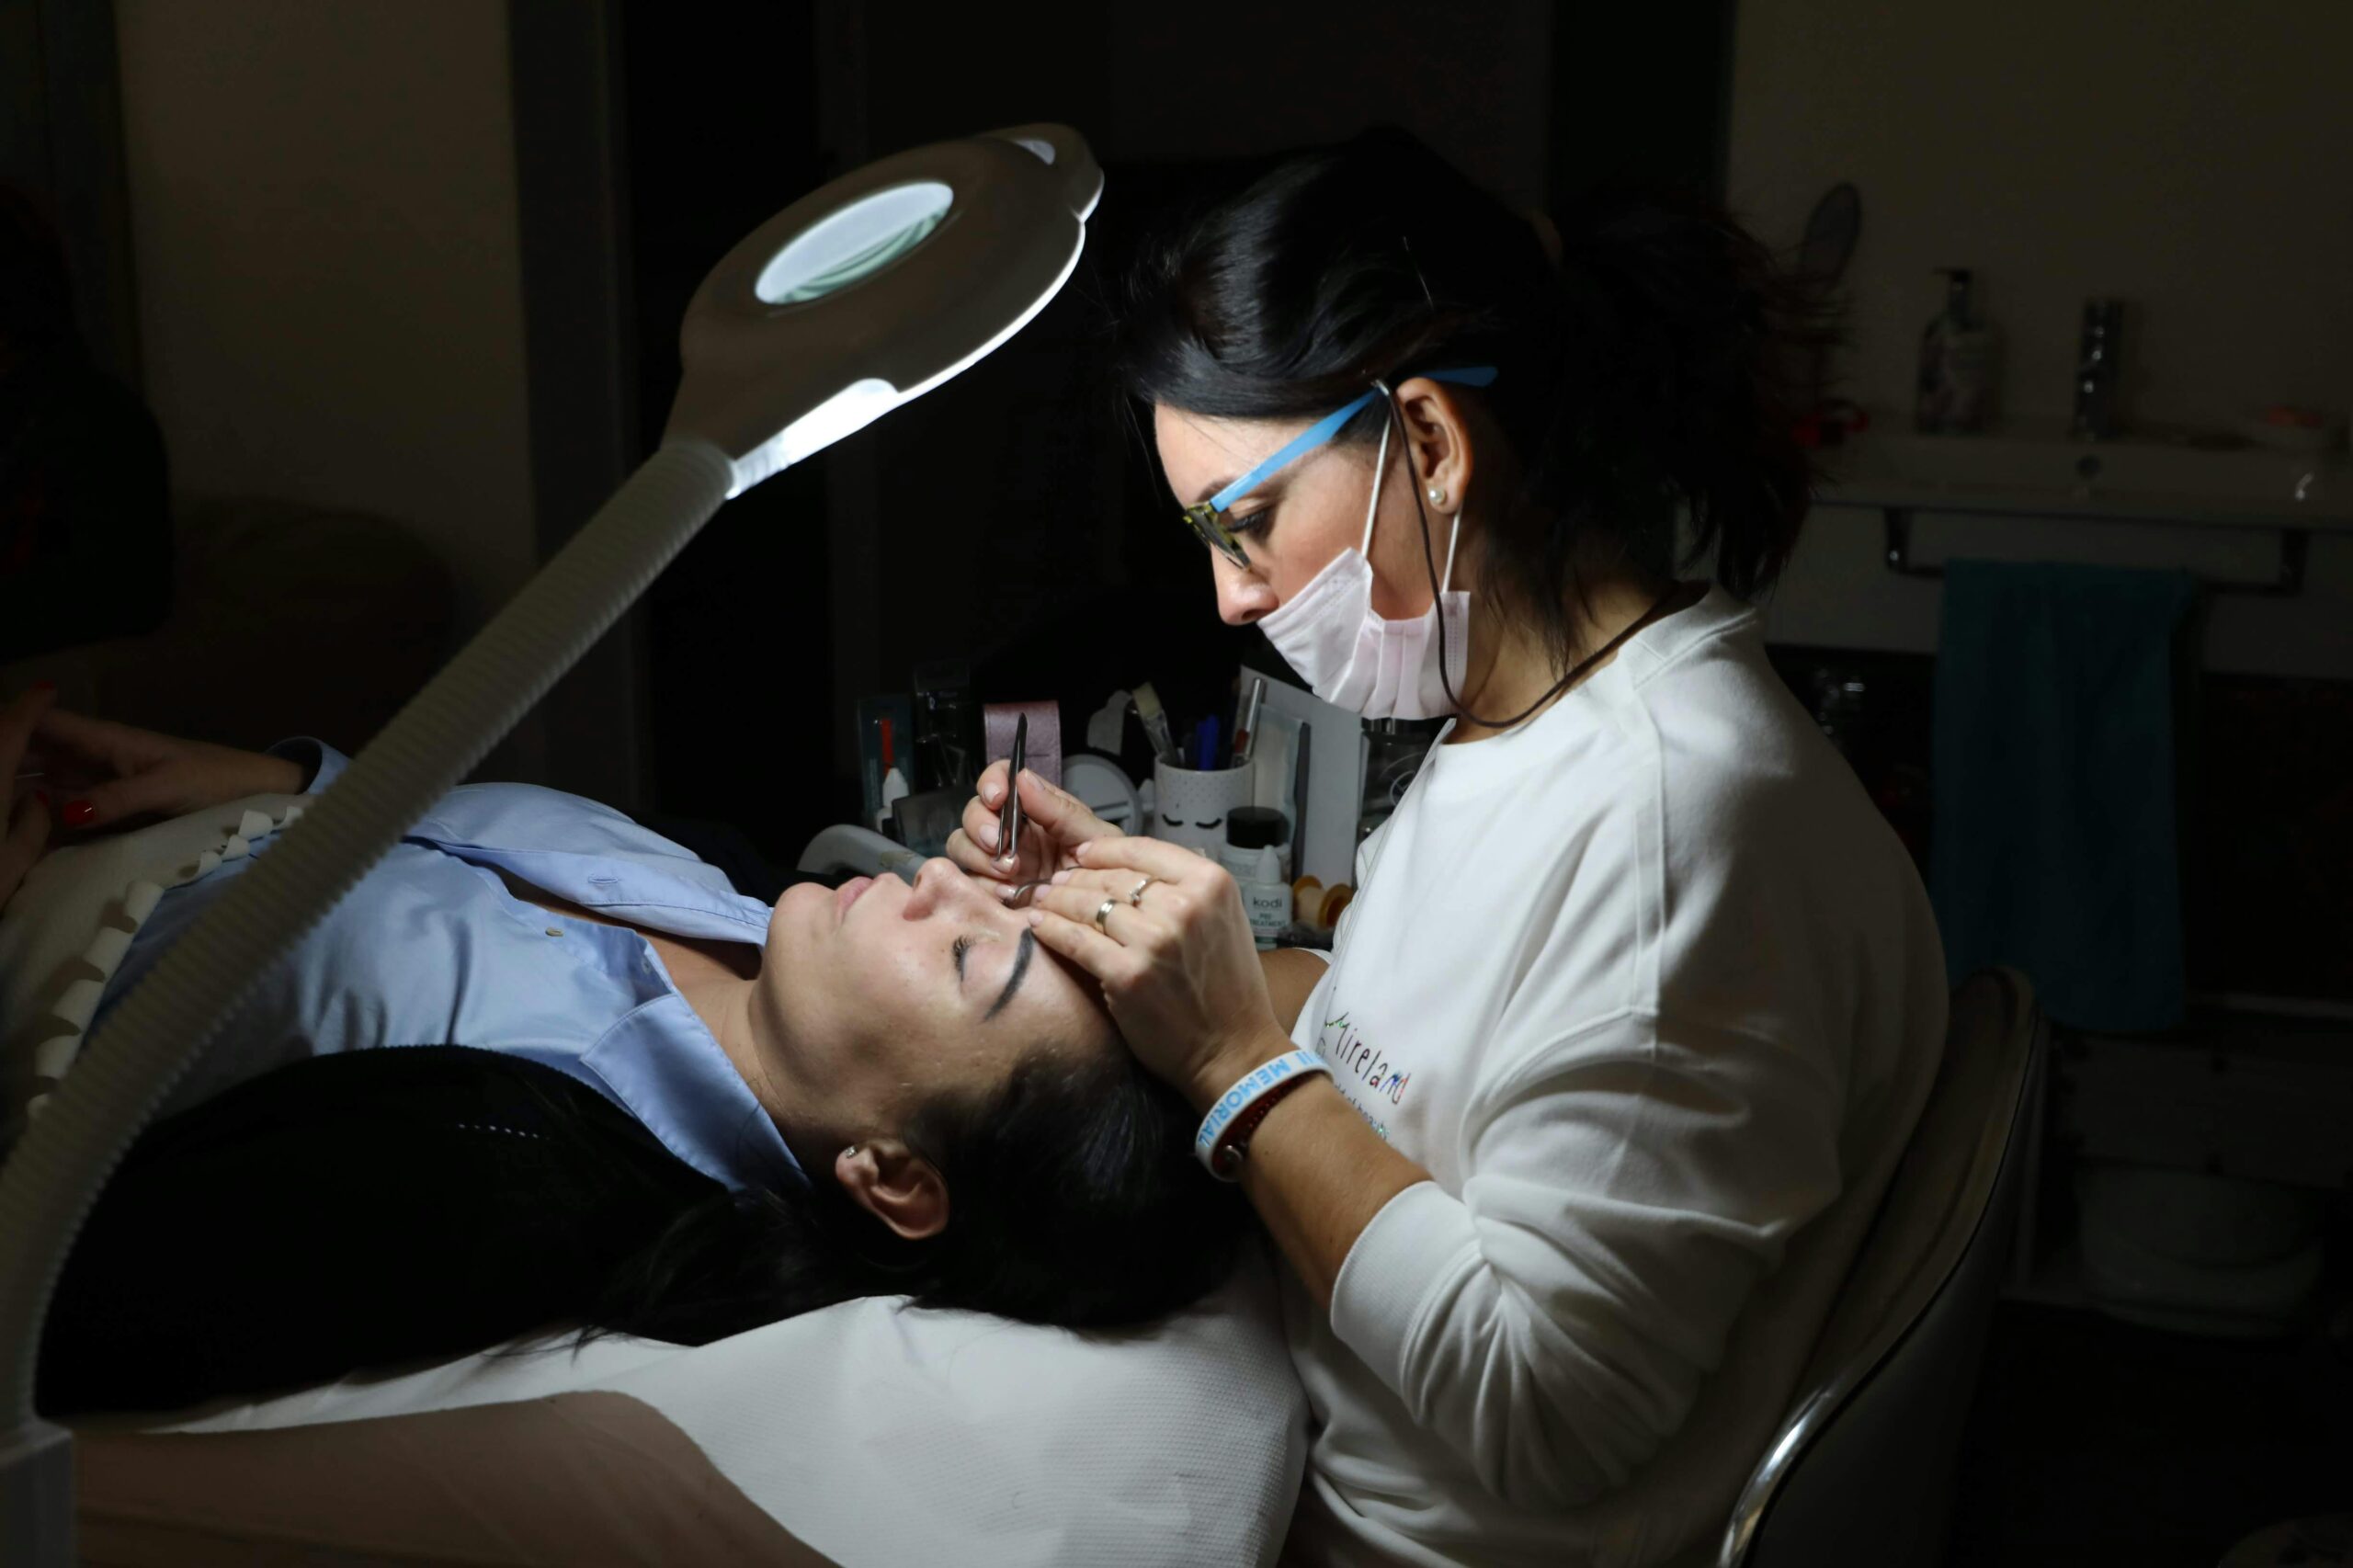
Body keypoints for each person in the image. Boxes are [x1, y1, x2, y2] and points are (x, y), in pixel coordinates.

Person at [949, 130, 1949, 1567]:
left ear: (1427, 441)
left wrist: (1233, 1062)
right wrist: (1140, 925)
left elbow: (1544, 1406)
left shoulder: (1686, 834)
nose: (1228, 599)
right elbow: (1402, 1051)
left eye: (1245, 525)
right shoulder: (1517, 713)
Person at [23, 707, 1242, 1415]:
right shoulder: (748, 913)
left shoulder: (507, 1157)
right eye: (995, 911)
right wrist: (283, 786)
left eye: (978, 963)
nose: (937, 882)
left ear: (896, 1174)